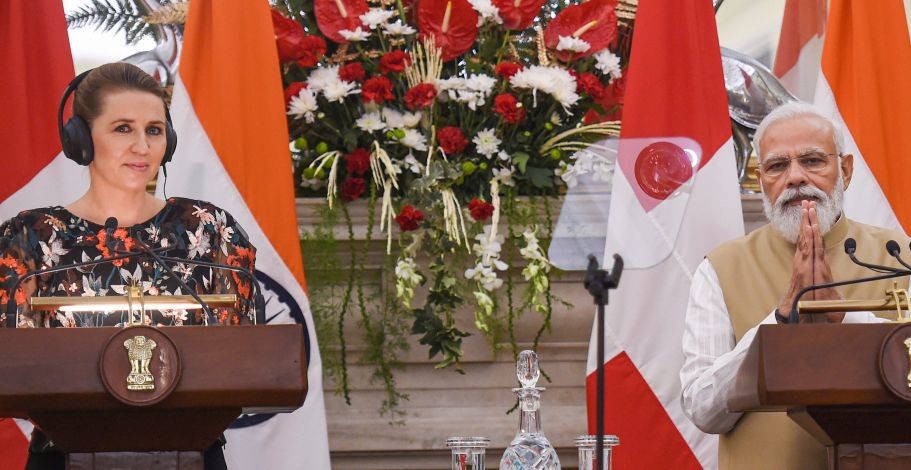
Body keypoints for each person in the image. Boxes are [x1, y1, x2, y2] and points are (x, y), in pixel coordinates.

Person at [0, 63, 257, 470]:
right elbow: (10, 368)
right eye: (123, 128)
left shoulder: (211, 231)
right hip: (63, 458)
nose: (142, 146)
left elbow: (248, 357)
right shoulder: (30, 237)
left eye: (154, 130)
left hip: (191, 456)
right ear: (80, 140)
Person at [679, 102, 910, 470]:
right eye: (777, 166)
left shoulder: (900, 256)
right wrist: (782, 318)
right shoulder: (721, 268)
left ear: (845, 171)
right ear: (760, 181)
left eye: (813, 161)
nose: (796, 177)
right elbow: (703, 410)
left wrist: (844, 319)